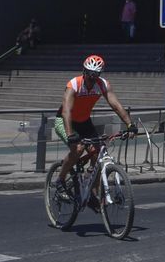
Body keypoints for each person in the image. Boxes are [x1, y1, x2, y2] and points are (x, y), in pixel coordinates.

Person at [55, 54, 136, 188]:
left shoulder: (103, 84)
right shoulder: (74, 84)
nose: (92, 78)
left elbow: (116, 105)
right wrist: (70, 135)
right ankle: (60, 179)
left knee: (97, 153)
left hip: (84, 122)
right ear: (84, 71)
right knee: (78, 149)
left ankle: (92, 186)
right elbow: (66, 111)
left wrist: (130, 124)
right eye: (89, 74)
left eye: (95, 75)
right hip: (65, 121)